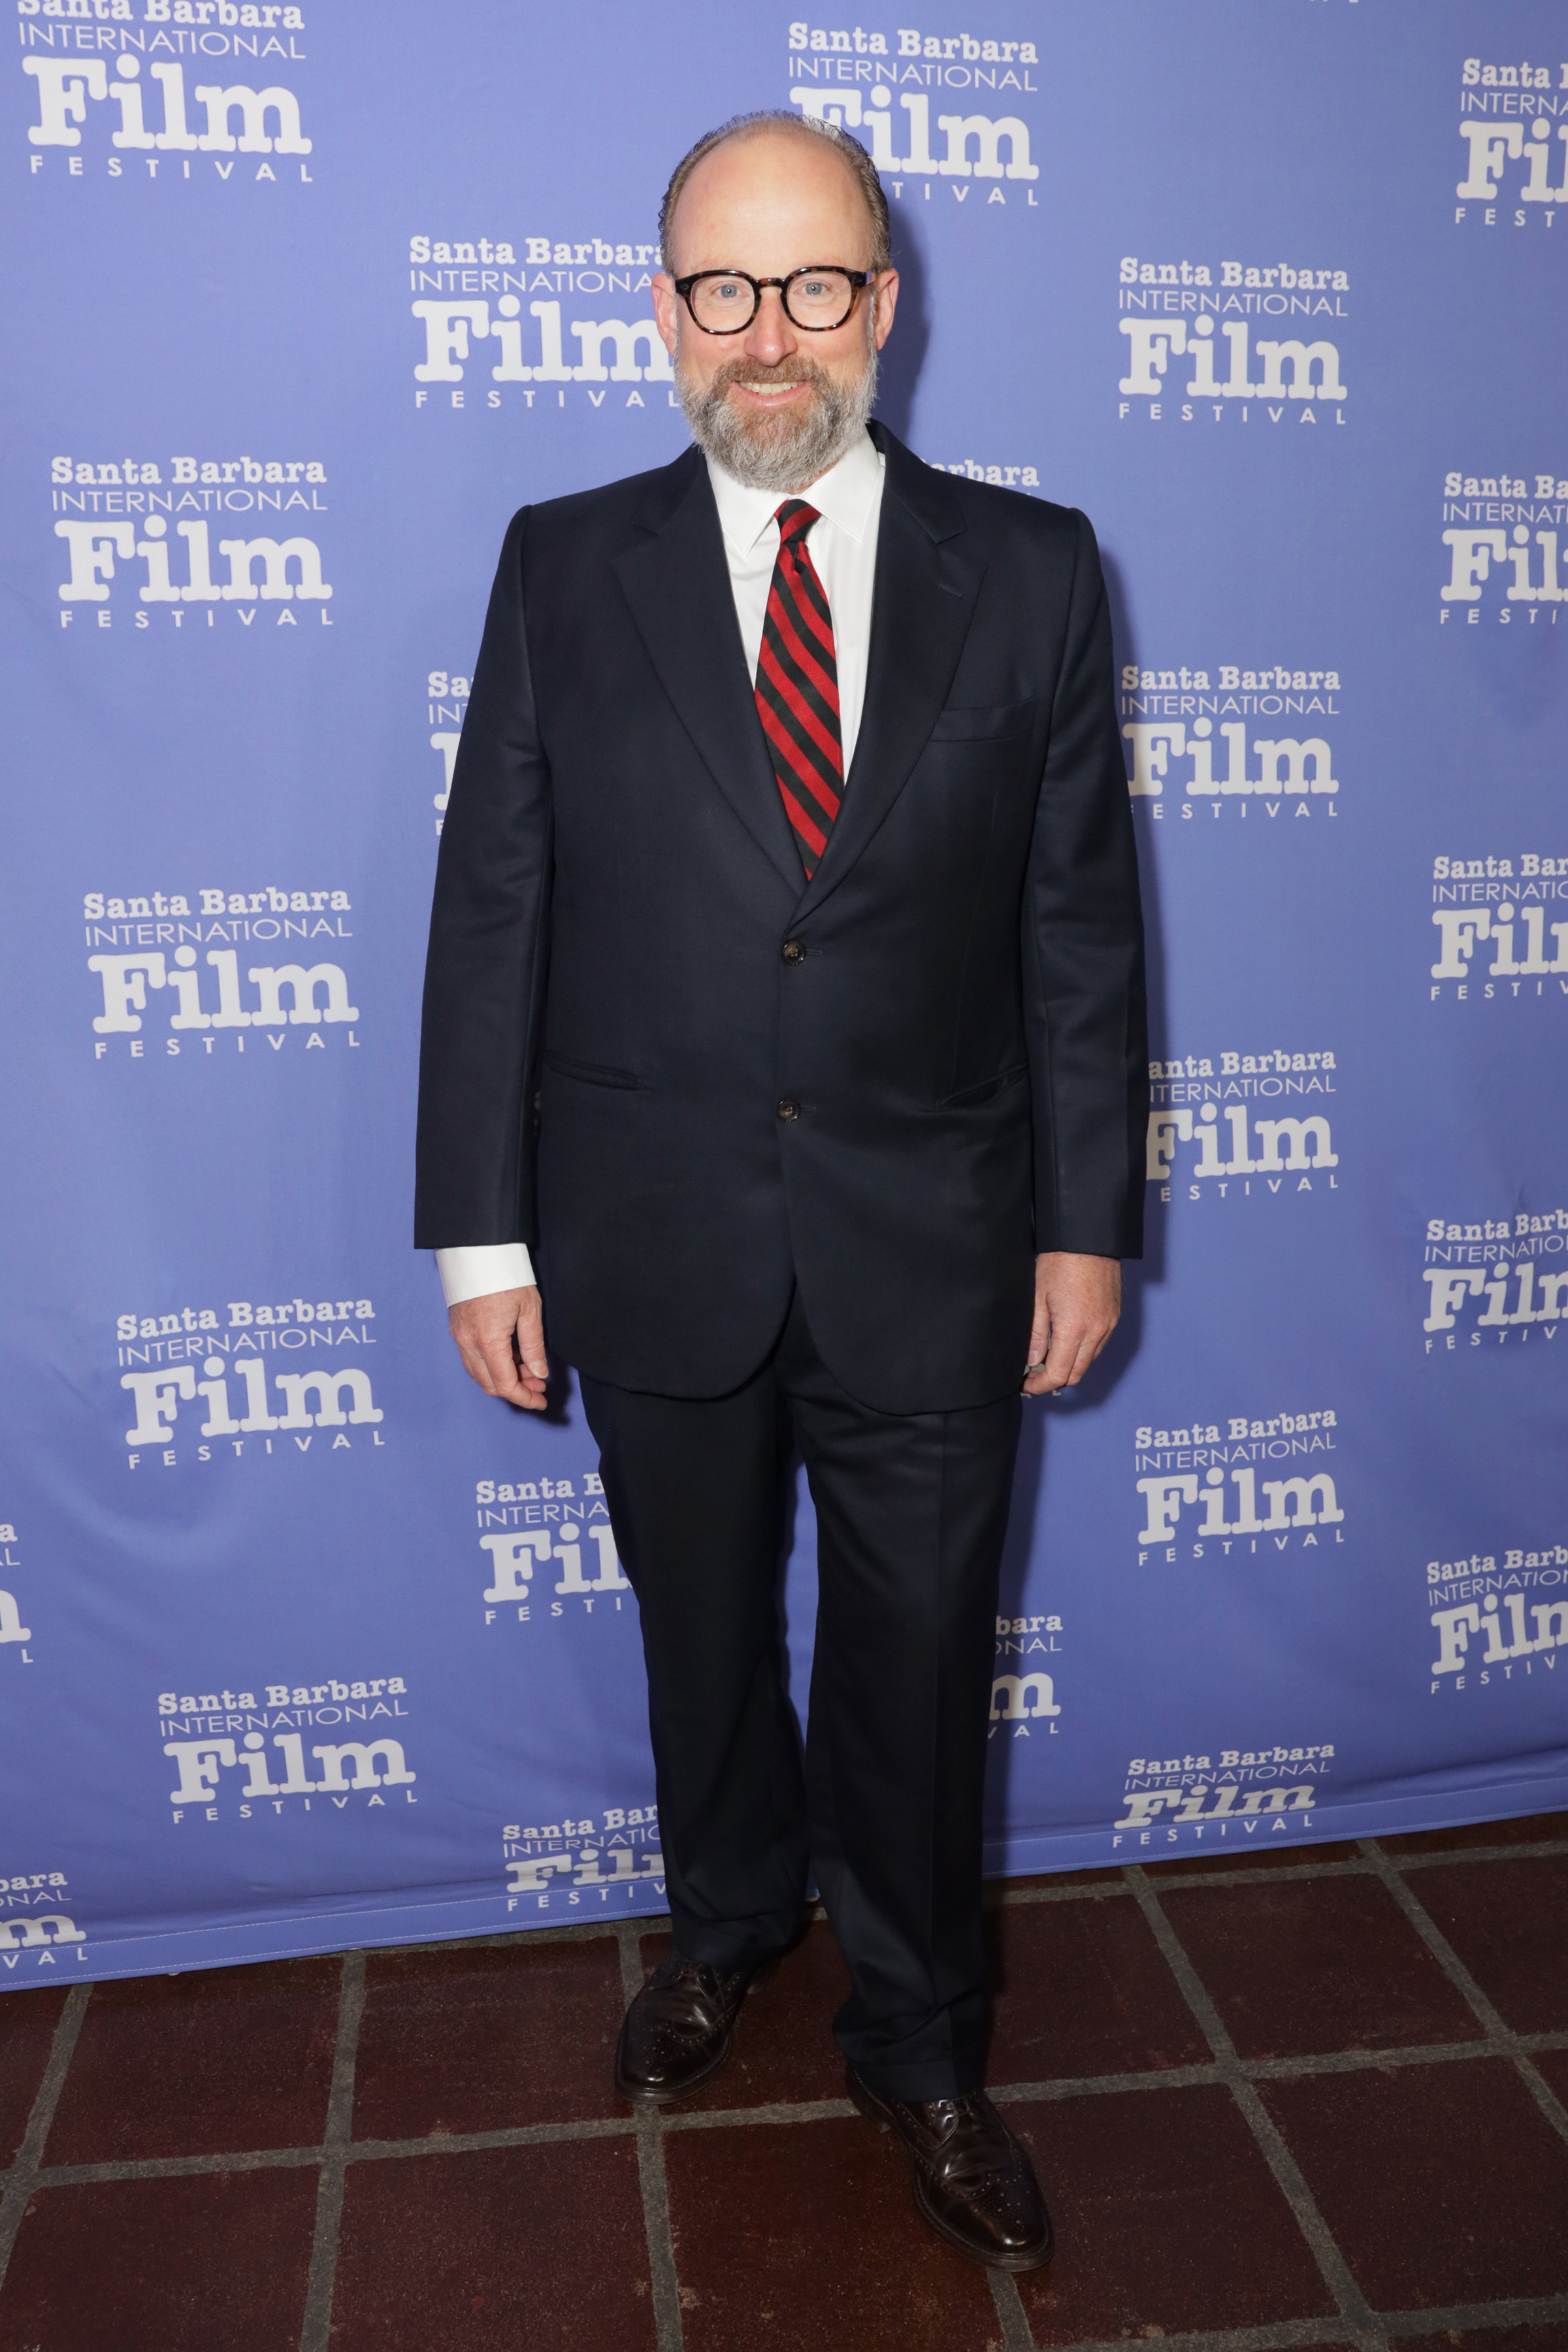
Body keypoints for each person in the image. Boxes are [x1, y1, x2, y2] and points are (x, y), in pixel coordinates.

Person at [416, 110, 1146, 2272]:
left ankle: (921, 2045)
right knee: (705, 1638)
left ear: (882, 308)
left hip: (939, 1240)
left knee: (915, 1670)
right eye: (720, 290)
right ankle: (731, 1922)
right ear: (662, 312)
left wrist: (1086, 1219)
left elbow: (1078, 930)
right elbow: (495, 909)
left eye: (811, 285)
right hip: (650, 1231)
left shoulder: (1032, 570)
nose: (766, 336)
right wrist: (483, 1228)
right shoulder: (563, 561)